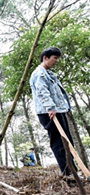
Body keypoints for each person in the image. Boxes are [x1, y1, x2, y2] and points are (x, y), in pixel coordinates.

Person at [30, 47, 76, 176]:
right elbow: (42, 91)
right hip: (49, 112)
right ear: (45, 58)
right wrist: (50, 108)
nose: (57, 61)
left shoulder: (49, 73)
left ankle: (73, 170)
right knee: (59, 143)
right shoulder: (39, 74)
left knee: (67, 141)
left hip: (58, 110)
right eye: (55, 58)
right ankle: (68, 173)